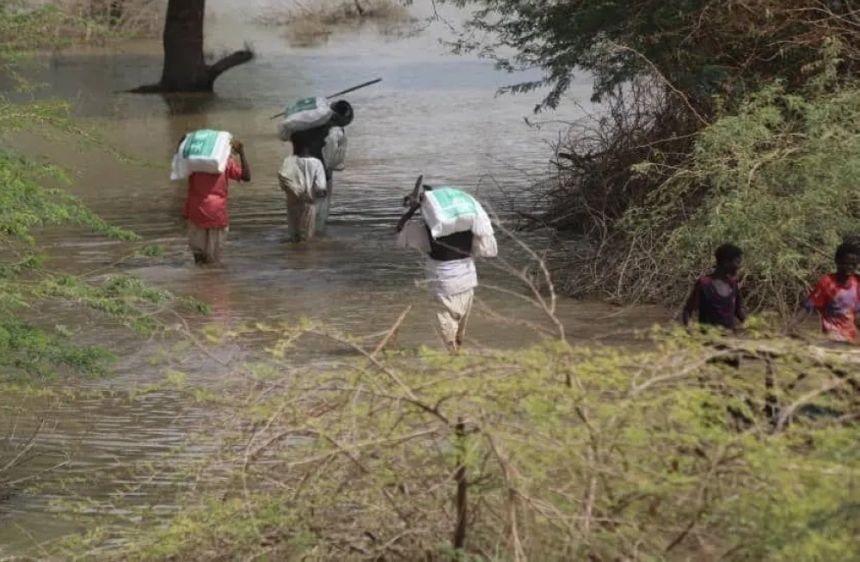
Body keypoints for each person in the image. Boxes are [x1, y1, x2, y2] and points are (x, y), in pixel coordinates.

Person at [397, 186, 477, 353]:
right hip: (468, 279)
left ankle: (453, 361)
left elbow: (401, 227)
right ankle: (459, 359)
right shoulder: (468, 223)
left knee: (448, 330)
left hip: (445, 283)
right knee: (460, 330)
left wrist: (415, 207)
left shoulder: (431, 229)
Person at [183, 138, 251, 265]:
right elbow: (246, 176)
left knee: (199, 259)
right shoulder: (225, 163)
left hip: (196, 212)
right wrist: (241, 152)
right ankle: (214, 282)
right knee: (214, 260)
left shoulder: (194, 164)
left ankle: (199, 282)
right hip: (217, 213)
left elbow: (181, 155)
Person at [803, 242, 860, 343]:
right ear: (837, 261)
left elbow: (857, 313)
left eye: (853, 264)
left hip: (852, 336)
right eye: (846, 263)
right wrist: (789, 327)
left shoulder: (857, 282)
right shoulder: (827, 282)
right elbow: (808, 307)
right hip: (833, 335)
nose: (849, 267)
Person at [682, 243, 746, 331]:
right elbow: (688, 311)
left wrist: (753, 327)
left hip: (729, 339)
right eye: (737, 262)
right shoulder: (704, 283)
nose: (739, 267)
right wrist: (689, 330)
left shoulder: (733, 284)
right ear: (726, 262)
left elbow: (738, 312)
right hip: (708, 339)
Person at [278, 146, 327, 242]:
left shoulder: (288, 161)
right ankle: (306, 255)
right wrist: (322, 194)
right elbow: (320, 189)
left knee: (294, 237)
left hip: (292, 204)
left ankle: (295, 253)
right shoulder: (316, 163)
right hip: (308, 204)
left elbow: (283, 184)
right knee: (307, 238)